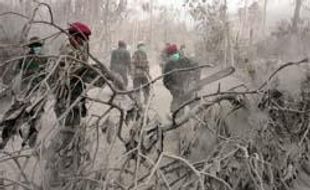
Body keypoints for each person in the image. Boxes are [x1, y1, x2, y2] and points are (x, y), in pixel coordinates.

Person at [46, 22, 106, 188]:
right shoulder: (67, 50)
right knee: (68, 136)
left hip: (76, 98)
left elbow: (82, 73)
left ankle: (68, 170)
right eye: (82, 39)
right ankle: (55, 174)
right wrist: (92, 71)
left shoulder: (80, 48)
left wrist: (99, 75)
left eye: (85, 40)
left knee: (74, 135)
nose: (84, 42)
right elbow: (71, 74)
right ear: (74, 36)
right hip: (66, 101)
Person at [163, 44, 198, 115]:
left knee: (196, 109)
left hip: (188, 90)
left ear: (177, 53)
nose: (172, 57)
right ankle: (178, 122)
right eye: (170, 56)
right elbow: (166, 81)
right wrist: (174, 89)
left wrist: (194, 82)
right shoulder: (168, 65)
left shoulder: (185, 60)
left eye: (174, 54)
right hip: (177, 93)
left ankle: (198, 122)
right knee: (176, 112)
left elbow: (196, 68)